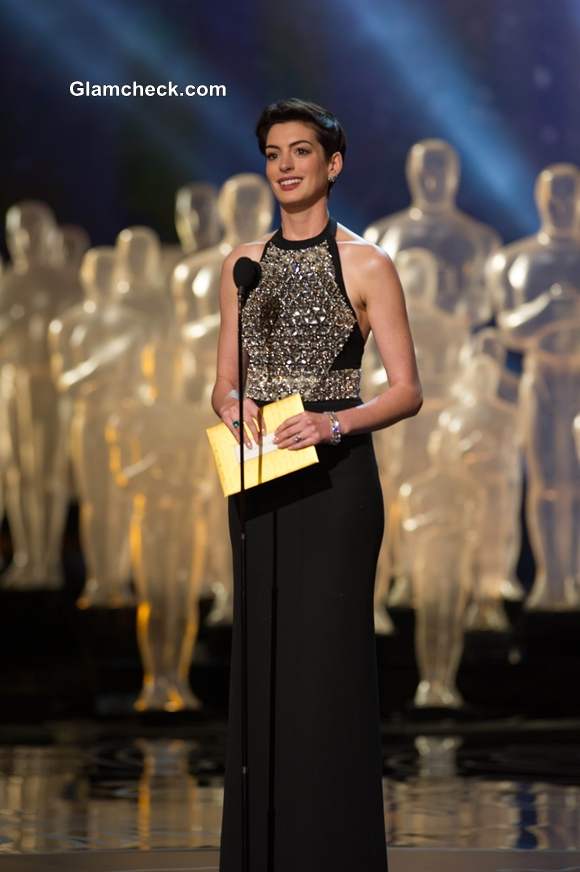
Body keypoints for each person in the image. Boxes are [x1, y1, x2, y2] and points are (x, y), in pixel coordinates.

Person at [211, 97, 422, 872]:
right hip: (261, 477)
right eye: (273, 153)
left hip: (335, 481)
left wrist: (334, 425)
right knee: (262, 665)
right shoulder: (243, 263)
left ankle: (333, 852)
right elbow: (223, 383)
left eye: (301, 151)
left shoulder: (367, 263)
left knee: (326, 663)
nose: (285, 165)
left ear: (332, 165)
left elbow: (407, 390)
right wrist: (234, 409)